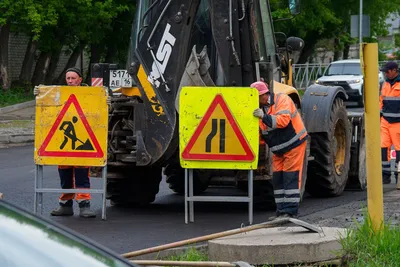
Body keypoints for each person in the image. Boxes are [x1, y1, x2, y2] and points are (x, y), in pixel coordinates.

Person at [34, 67, 106, 218]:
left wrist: (106, 102)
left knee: (81, 174)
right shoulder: (60, 95)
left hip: (83, 139)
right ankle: (66, 205)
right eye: (68, 78)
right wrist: (40, 97)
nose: (70, 81)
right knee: (64, 174)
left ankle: (84, 205)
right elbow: (50, 110)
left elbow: (98, 112)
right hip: (64, 140)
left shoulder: (89, 95)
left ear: (80, 80)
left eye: (73, 78)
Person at [252, 81, 308, 220]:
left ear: (265, 94)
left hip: (293, 144)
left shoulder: (282, 100)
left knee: (290, 177)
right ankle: (281, 211)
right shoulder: (259, 109)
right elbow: (261, 134)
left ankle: (289, 212)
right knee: (278, 179)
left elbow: (283, 121)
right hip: (278, 149)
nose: (258, 100)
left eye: (259, 97)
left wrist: (263, 117)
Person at [380, 61, 400, 184]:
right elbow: (381, 100)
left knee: (399, 149)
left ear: (394, 70)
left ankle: (399, 176)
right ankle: (385, 175)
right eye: (385, 72)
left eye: (387, 71)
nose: (386, 74)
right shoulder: (385, 84)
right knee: (383, 147)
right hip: (385, 121)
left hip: (398, 122)